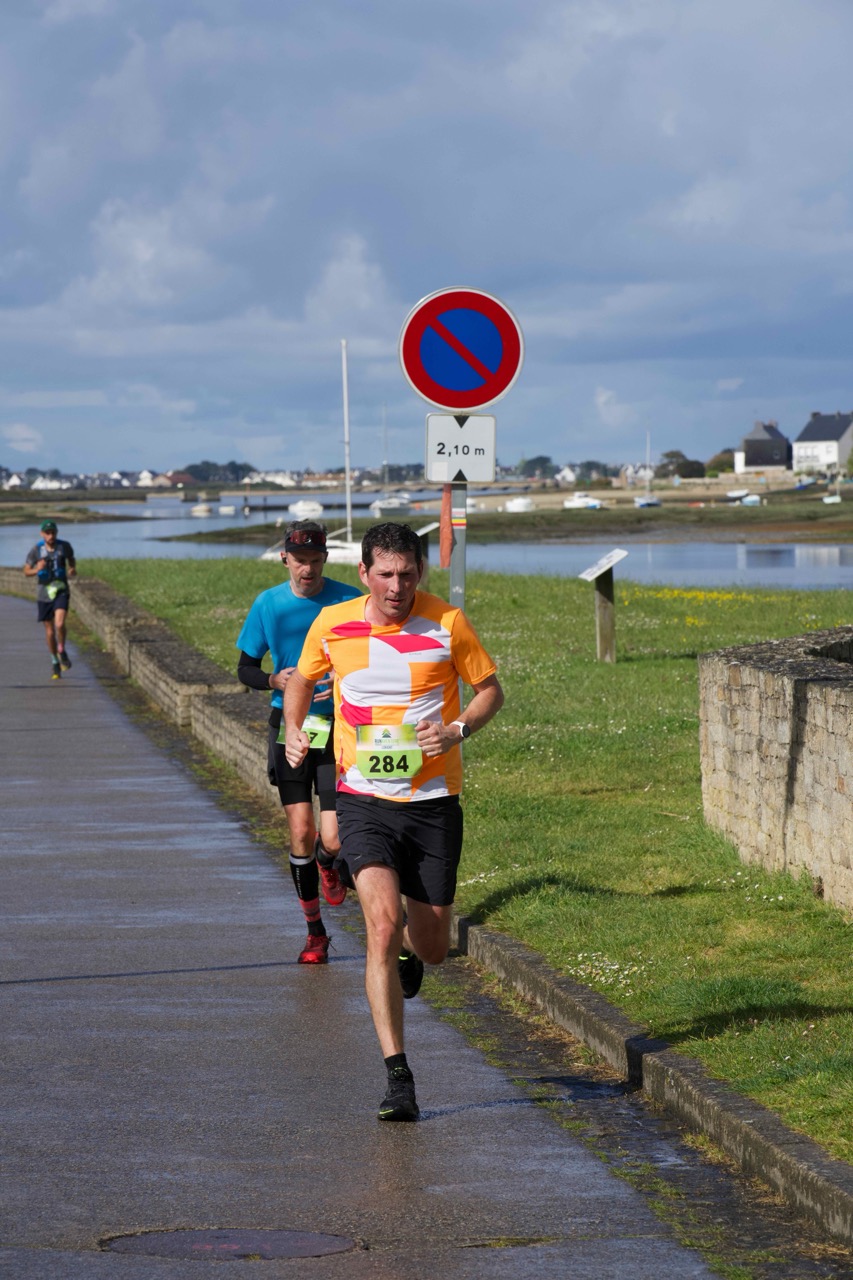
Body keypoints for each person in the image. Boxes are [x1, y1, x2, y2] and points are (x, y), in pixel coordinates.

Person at [284, 522, 504, 1121]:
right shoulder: (333, 624)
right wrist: (294, 730)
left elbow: (490, 691)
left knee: (430, 947)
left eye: (407, 574)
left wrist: (456, 730)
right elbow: (302, 679)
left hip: (432, 802)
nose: (396, 587)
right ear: (364, 574)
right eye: (385, 574)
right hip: (364, 800)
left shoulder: (447, 623)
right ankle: (398, 1078)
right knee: (380, 927)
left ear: (420, 573)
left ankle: (412, 946)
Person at [236, 521, 362, 964]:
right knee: (301, 831)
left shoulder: (349, 600)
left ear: (325, 559)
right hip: (289, 727)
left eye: (315, 561)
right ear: (284, 558)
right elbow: (245, 668)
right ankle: (315, 933)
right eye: (299, 561)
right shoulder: (268, 604)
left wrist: (343, 679)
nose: (307, 570)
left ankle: (329, 863)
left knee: (335, 837)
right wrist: (274, 679)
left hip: (338, 726)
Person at [23, 519, 77, 680]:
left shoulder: (64, 546)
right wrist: (37, 570)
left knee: (59, 623)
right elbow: (26, 571)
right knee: (50, 631)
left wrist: (72, 568)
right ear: (42, 534)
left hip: (61, 590)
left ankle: (61, 649)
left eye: (53, 532)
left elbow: (71, 558)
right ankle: (54, 661)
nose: (51, 536)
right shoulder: (36, 550)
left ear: (56, 533)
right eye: (47, 533)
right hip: (44, 594)